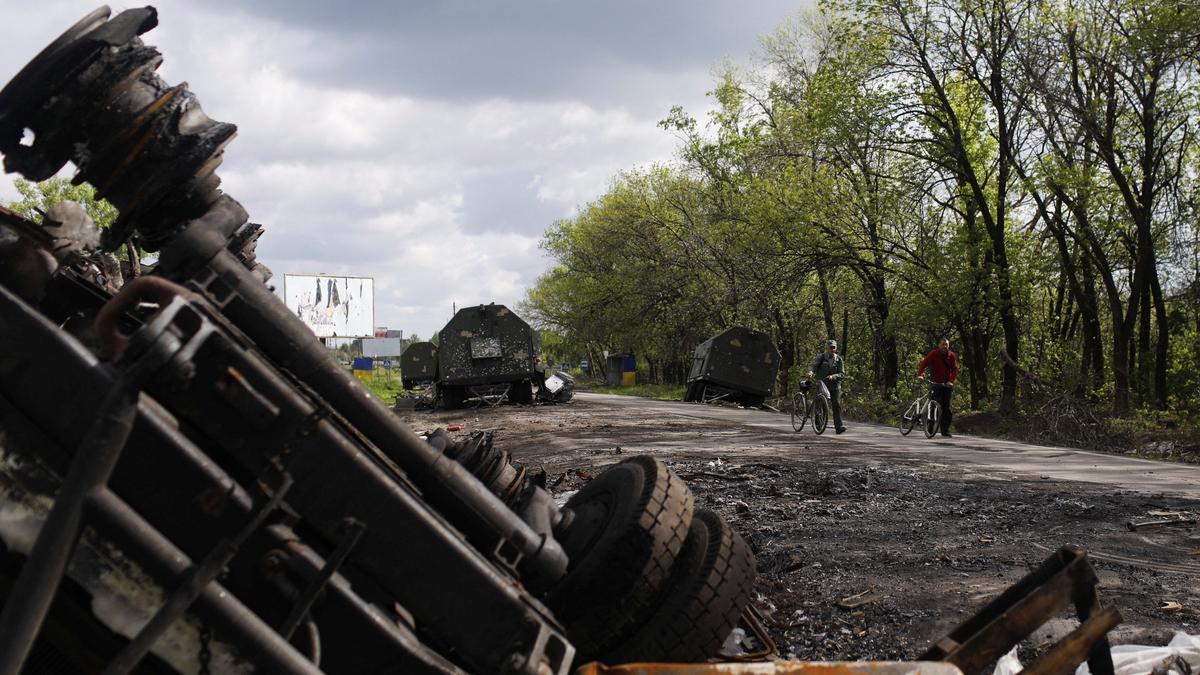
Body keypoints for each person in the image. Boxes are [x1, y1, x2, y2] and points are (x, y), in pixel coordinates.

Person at [917, 337, 959, 437]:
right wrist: (920, 374)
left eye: (946, 345)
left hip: (946, 385)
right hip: (935, 383)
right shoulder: (934, 354)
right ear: (939, 345)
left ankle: (945, 430)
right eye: (943, 344)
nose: (945, 346)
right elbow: (924, 363)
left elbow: (955, 369)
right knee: (934, 405)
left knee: (947, 408)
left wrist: (950, 381)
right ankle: (930, 428)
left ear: (948, 346)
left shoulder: (951, 355)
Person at [806, 339, 846, 434]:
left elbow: (842, 374)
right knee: (820, 404)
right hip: (822, 384)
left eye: (834, 347)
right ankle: (818, 425)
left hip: (834, 385)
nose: (832, 349)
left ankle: (839, 427)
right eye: (830, 347)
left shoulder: (838, 359)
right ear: (827, 348)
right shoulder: (822, 357)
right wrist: (810, 372)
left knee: (837, 405)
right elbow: (812, 365)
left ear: (836, 349)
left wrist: (834, 376)